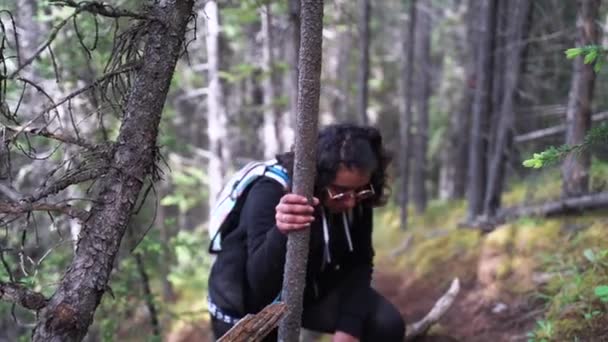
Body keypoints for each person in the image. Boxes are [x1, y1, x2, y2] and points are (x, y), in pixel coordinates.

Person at [207, 123, 405, 342]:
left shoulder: (358, 194)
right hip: (244, 305)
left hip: (309, 291)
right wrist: (282, 232)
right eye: (340, 191)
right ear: (318, 178)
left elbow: (359, 262)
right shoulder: (269, 190)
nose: (350, 202)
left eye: (360, 190)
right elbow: (260, 286)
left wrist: (349, 328)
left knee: (386, 324)